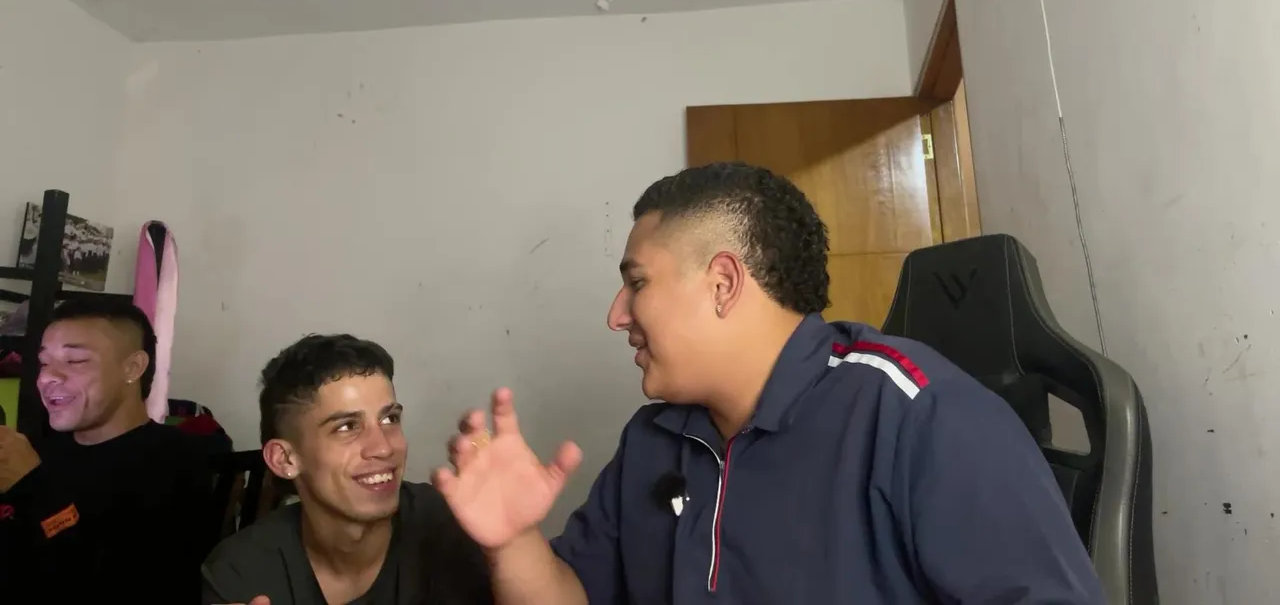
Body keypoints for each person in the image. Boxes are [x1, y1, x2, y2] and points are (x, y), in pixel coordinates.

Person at [434, 162, 1106, 604]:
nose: (617, 314)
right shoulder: (653, 440)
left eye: (636, 283)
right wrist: (512, 540)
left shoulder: (919, 415)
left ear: (723, 283)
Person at [202, 334, 492, 604]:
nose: (383, 448)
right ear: (285, 460)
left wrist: (511, 546)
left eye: (389, 419)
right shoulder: (242, 572)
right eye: (347, 427)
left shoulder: (448, 520)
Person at [0, 297, 212, 601]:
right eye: (44, 363)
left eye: (75, 361)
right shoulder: (35, 450)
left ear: (133, 367)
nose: (46, 377)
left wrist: (31, 486)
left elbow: (114, 583)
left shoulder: (175, 463)